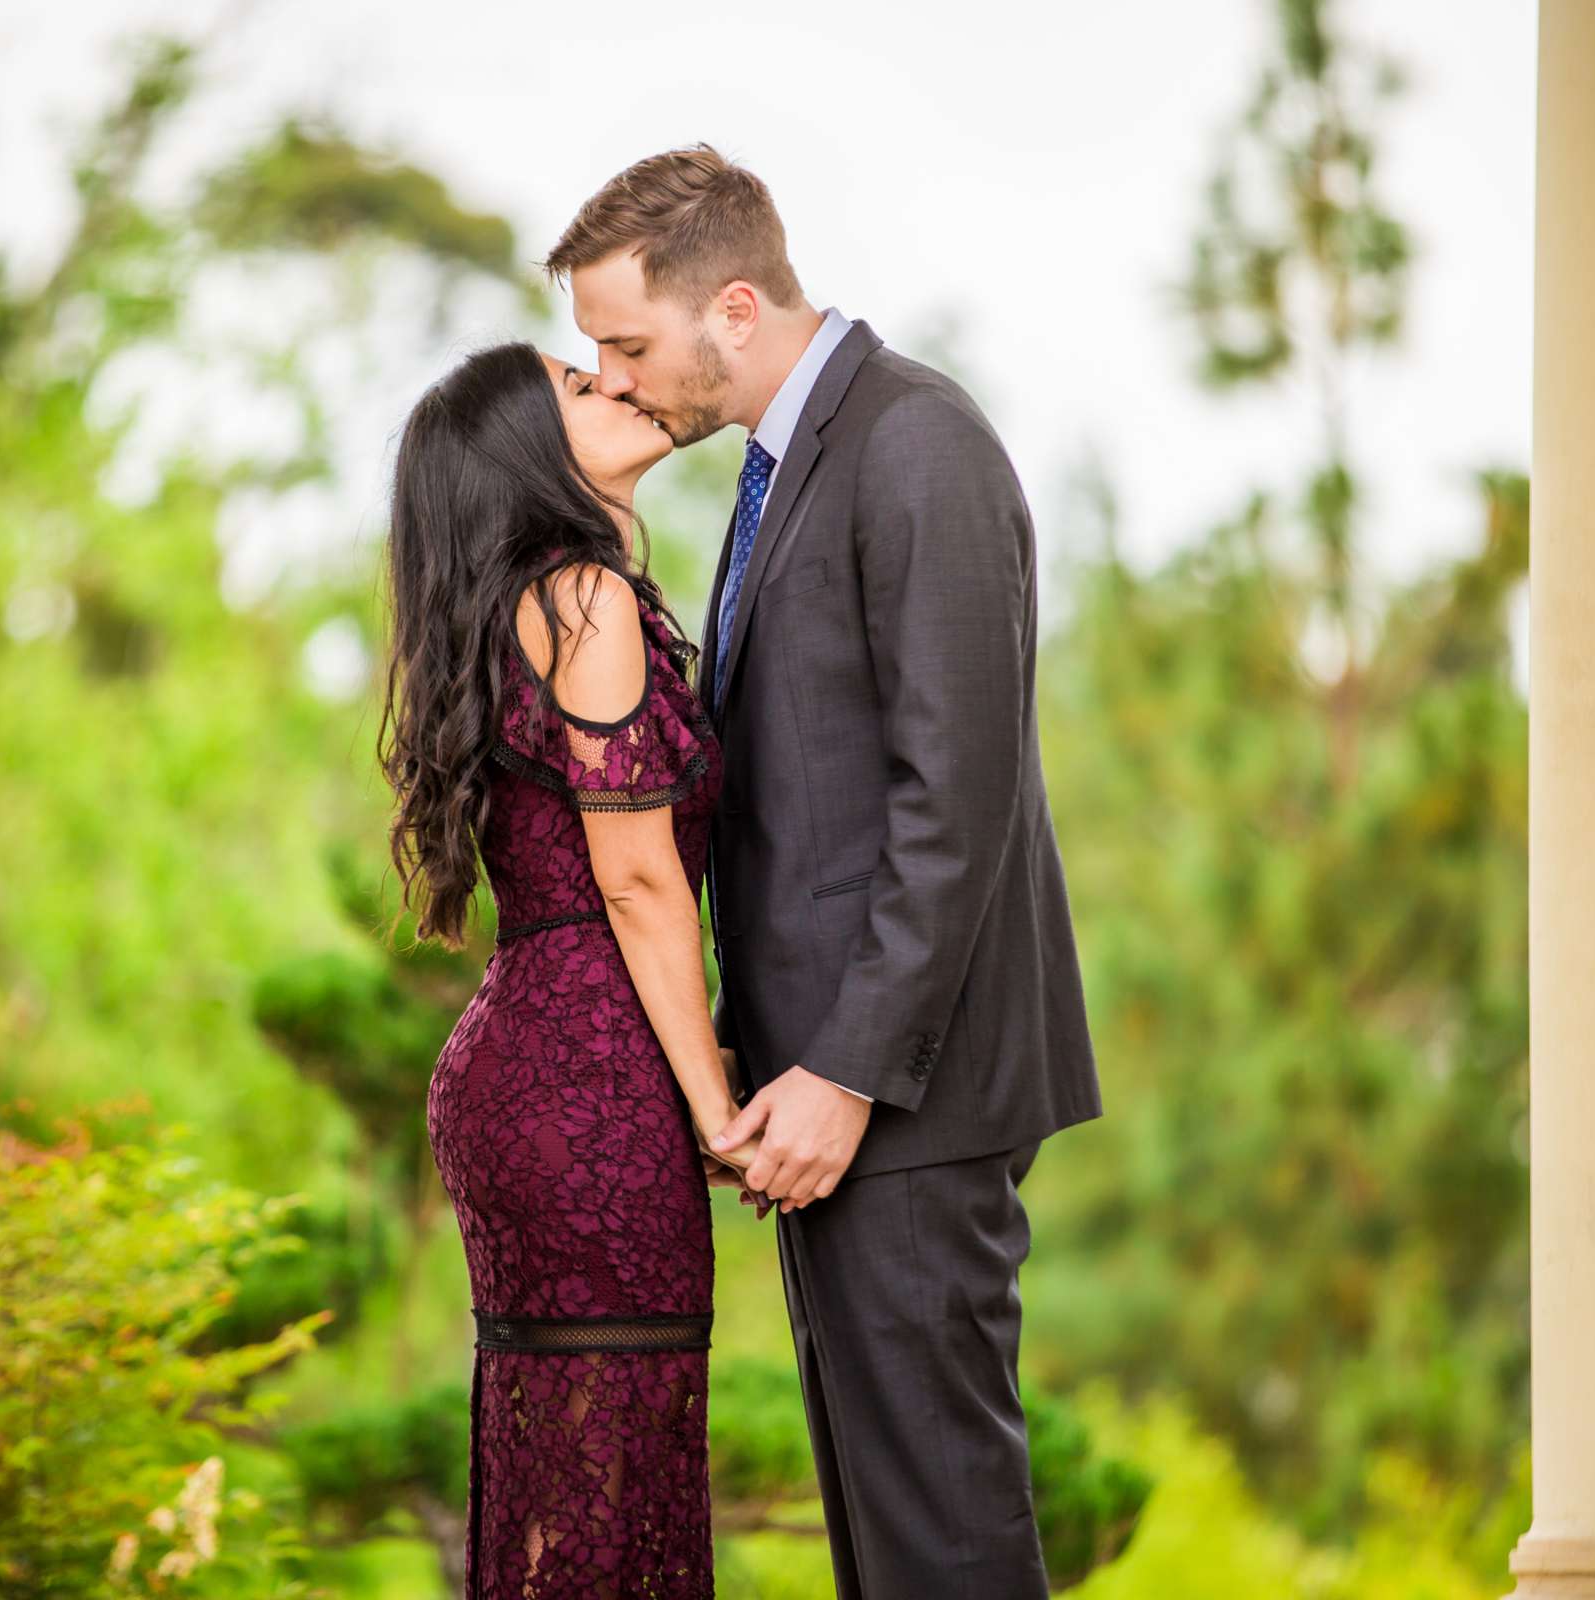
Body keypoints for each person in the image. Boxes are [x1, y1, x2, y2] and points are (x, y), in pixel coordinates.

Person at [544, 144, 1103, 1599]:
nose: (612, 374)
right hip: (830, 1104)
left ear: (734, 307)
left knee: (943, 1536)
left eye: (628, 342)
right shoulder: (786, 465)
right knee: (887, 1541)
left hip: (906, 1097)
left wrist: (848, 1072)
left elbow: (955, 795)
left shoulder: (916, 442)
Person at [381, 339, 757, 1597]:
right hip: (588, 1081)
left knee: (573, 1479)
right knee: (615, 1471)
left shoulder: (534, 606)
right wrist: (715, 1105)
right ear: (530, 456)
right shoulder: (583, 597)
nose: (619, 384)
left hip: (532, 1067)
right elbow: (640, 878)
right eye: (580, 386)